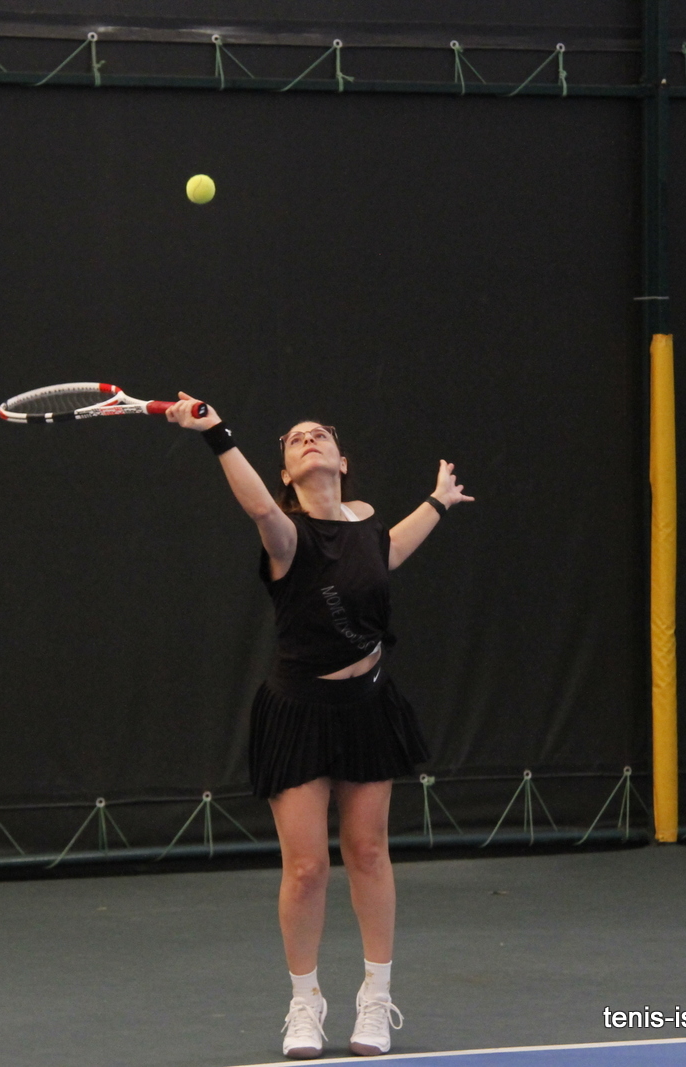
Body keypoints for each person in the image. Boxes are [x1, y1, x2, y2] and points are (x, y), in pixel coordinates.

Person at [166, 393, 473, 1059]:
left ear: (342, 459)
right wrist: (216, 432)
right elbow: (257, 508)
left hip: (368, 709)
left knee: (368, 853)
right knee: (306, 869)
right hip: (298, 712)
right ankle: (305, 1003)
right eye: (294, 439)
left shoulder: (369, 527)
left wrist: (439, 501)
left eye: (320, 434)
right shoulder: (285, 533)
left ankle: (375, 996)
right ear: (284, 472)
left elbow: (389, 550)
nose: (308, 439)